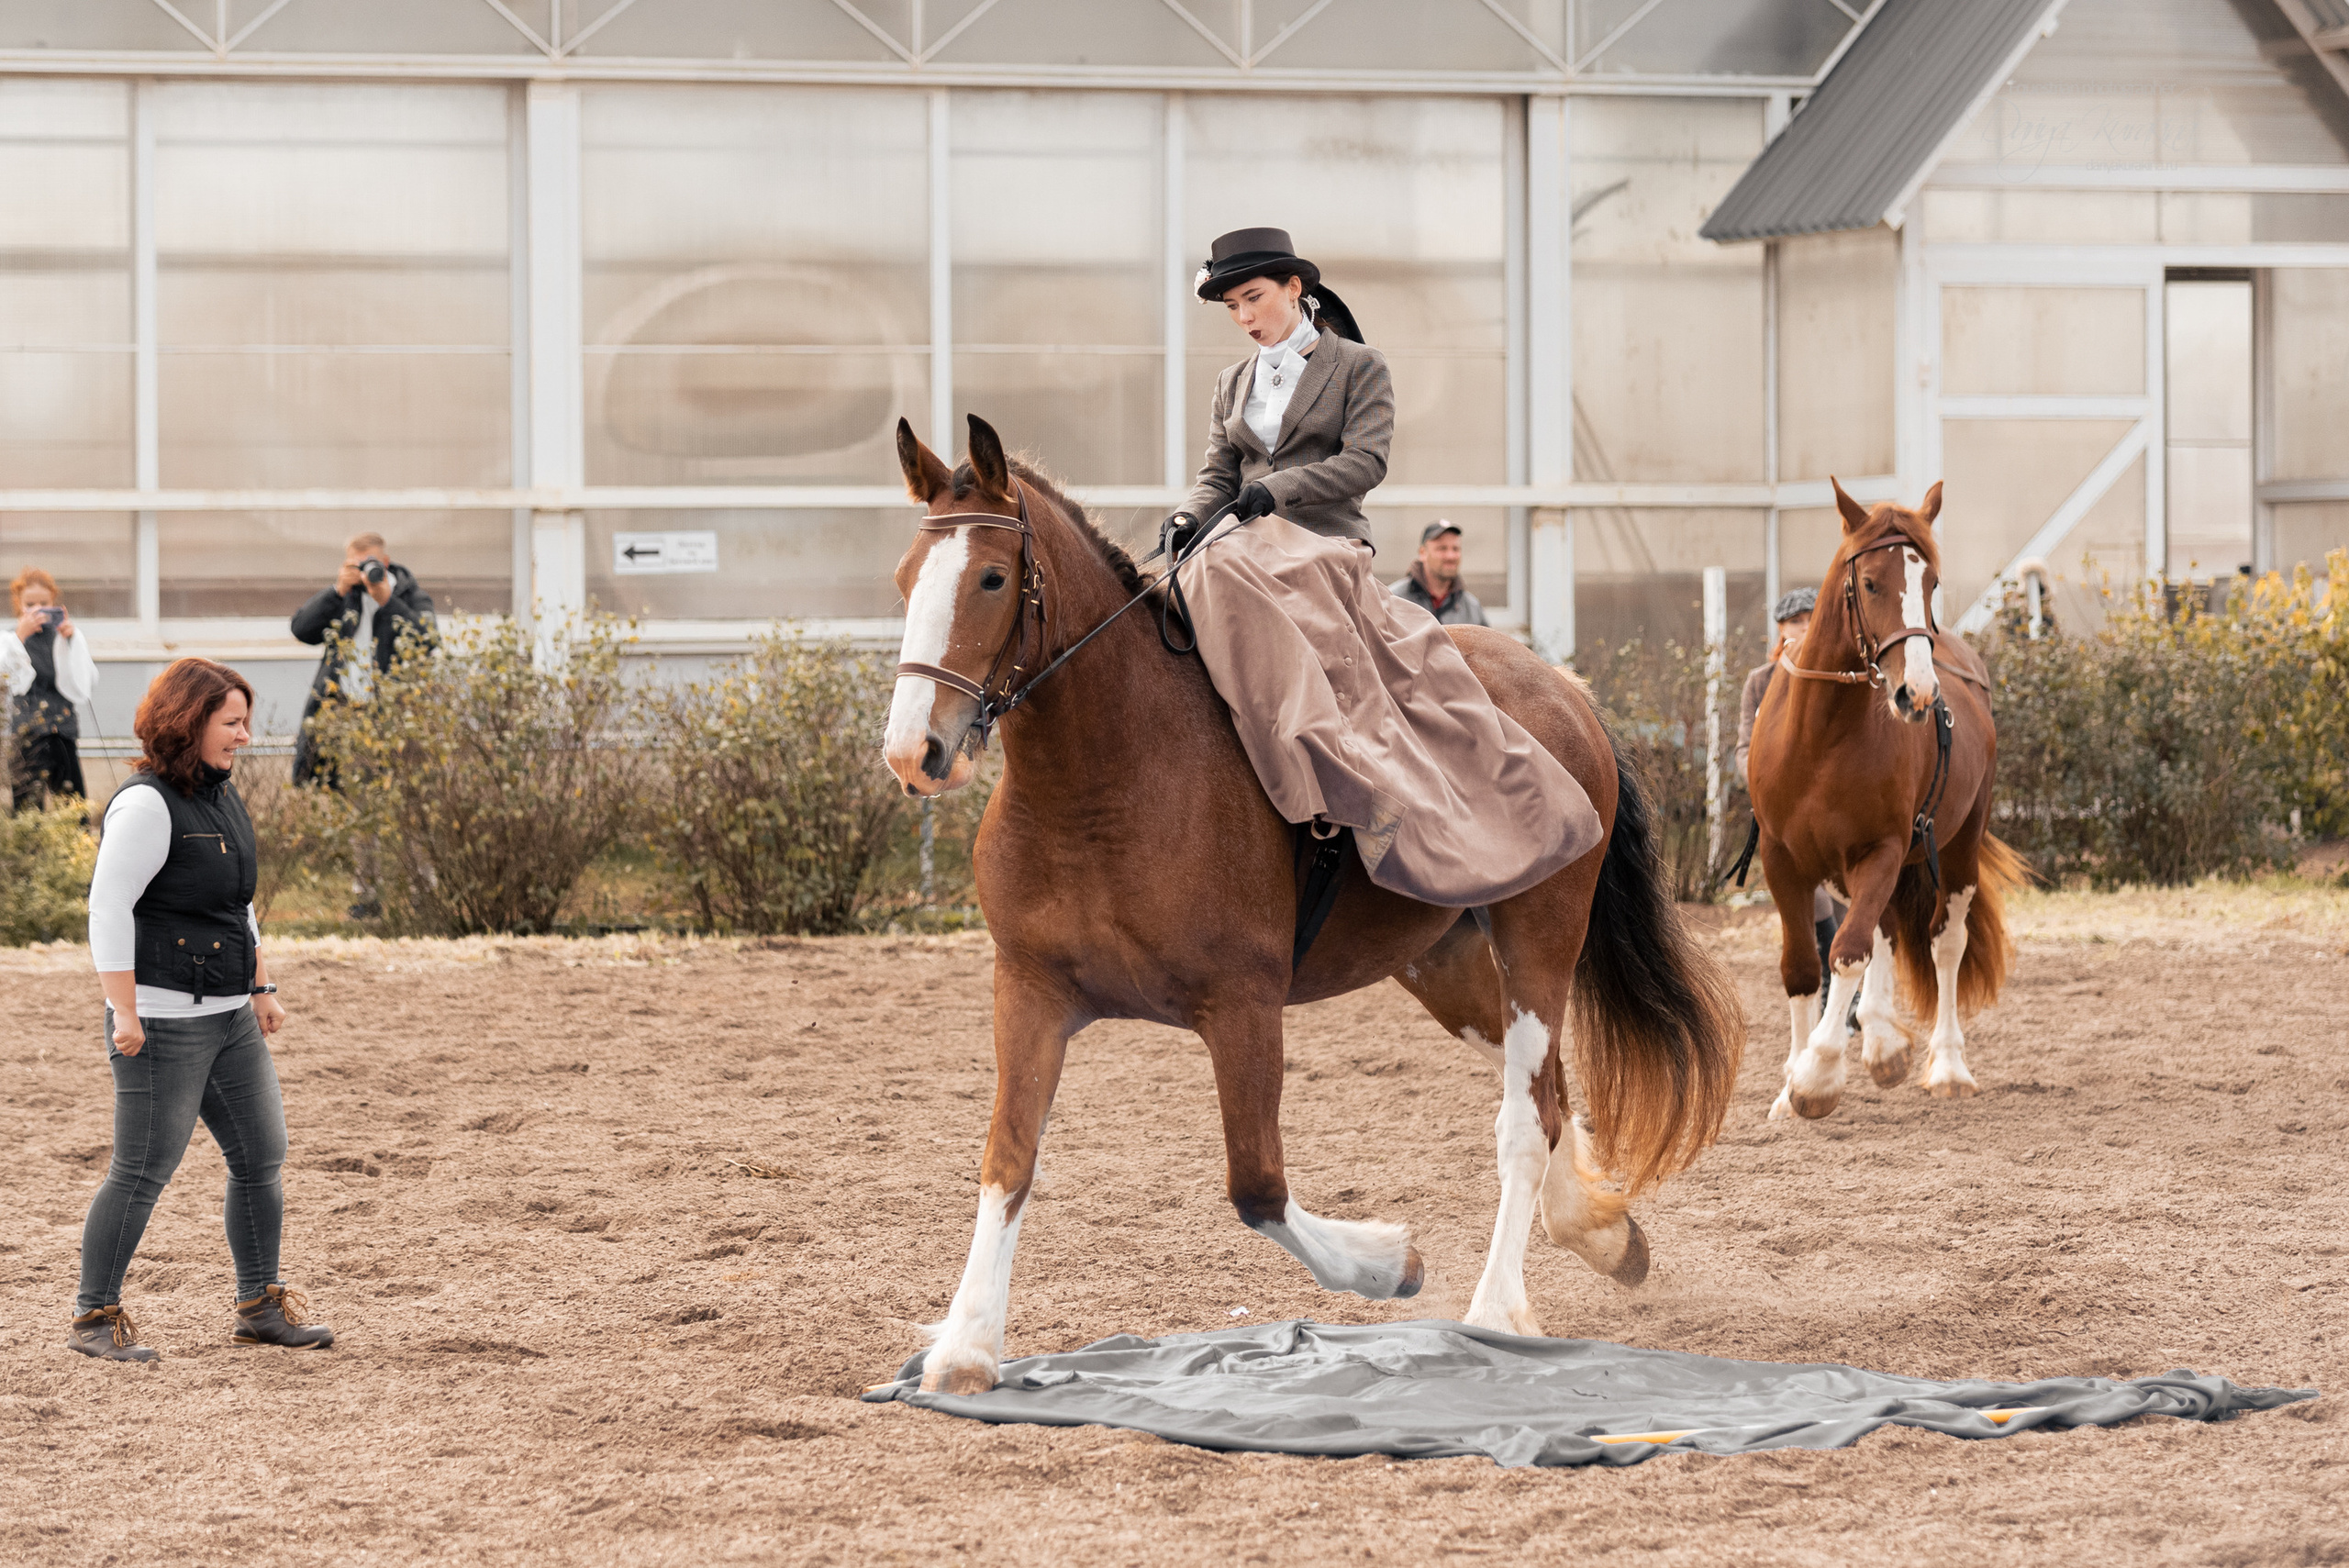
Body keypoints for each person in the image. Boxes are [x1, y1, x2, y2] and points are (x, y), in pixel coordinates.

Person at [1162, 228, 1597, 906]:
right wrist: (1188, 517)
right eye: (1233, 307)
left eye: (1254, 298)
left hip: (1323, 542)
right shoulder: (1231, 384)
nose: (1244, 317)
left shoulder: (1360, 366)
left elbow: (1366, 462)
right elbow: (1217, 475)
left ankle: (1323, 763)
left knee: (1220, 574)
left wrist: (1275, 491)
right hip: (1244, 544)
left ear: (1294, 288)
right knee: (1167, 588)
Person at [71, 656, 333, 1362]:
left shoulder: (221, 794)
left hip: (230, 1016)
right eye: (232, 722)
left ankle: (259, 1306)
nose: (245, 736)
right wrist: (124, 1010)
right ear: (189, 721)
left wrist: (261, 986)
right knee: (143, 1169)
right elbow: (107, 908)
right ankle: (94, 1315)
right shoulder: (145, 805)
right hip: (161, 1019)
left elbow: (236, 904)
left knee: (261, 1154)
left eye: (245, 722)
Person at [1737, 587, 1848, 1018]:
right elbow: (1745, 747)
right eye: (1794, 622)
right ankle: (1832, 991)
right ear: (1781, 630)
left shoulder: (1839, 680)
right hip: (1785, 812)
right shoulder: (1761, 681)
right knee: (1811, 899)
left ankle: (1848, 995)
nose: (1803, 629)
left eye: (1810, 620)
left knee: (1844, 901)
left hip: (1836, 810)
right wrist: (1761, 785)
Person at [289, 531, 435, 787]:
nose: (365, 570)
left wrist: (388, 602)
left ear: (385, 562)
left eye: (370, 562)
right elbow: (301, 630)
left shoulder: (410, 595)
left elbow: (428, 641)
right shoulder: (343, 597)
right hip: (340, 708)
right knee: (331, 787)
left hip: (390, 712)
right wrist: (337, 591)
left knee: (387, 786)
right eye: (357, 564)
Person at [3, 567, 99, 811]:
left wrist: (71, 640)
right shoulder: (8, 639)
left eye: (44, 604)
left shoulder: (63, 636)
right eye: (30, 604)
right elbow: (8, 679)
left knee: (72, 807)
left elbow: (83, 681)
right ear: (18, 603)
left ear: (54, 603)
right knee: (27, 811)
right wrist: (20, 636)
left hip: (61, 731)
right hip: (25, 735)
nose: (37, 609)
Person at [1389, 521, 1488, 627]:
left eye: (1455, 549)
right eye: (1442, 548)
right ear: (1423, 553)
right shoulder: (1394, 600)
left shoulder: (1472, 608)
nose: (1450, 556)